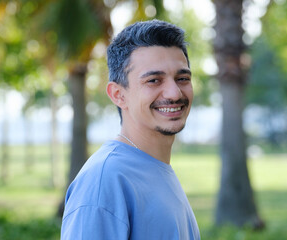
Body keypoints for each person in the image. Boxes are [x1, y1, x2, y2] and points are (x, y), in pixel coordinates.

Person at [61, 20, 200, 239]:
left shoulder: (155, 167)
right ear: (118, 95)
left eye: (182, 78)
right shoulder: (105, 181)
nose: (174, 93)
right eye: (154, 80)